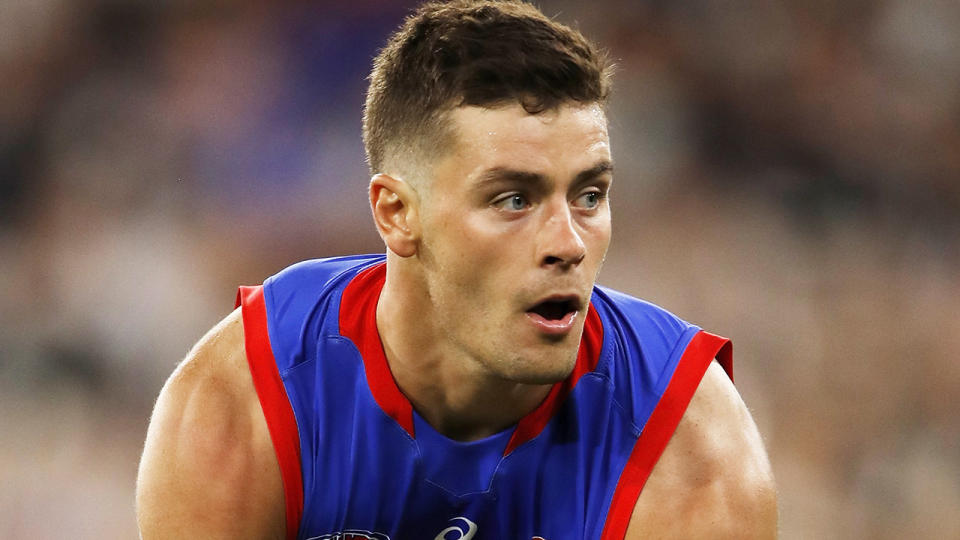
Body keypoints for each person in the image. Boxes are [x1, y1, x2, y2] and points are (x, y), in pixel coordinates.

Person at [136, 1, 777, 538]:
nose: (568, 243)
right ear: (396, 214)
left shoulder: (689, 445)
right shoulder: (246, 404)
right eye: (513, 199)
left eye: (589, 195)